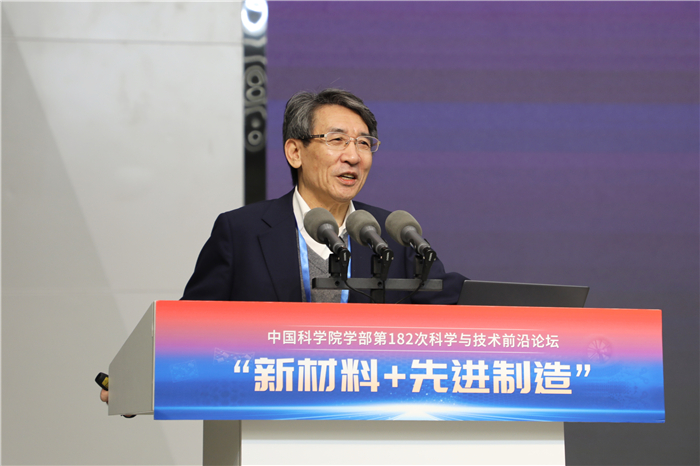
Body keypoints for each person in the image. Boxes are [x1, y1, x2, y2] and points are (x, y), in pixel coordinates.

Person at [100, 88, 466, 405]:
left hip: (370, 423)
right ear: (295, 151)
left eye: (364, 143)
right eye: (337, 140)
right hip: (266, 426)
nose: (354, 156)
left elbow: (452, 312)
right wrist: (137, 383)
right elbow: (192, 327)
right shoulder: (241, 232)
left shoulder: (391, 235)